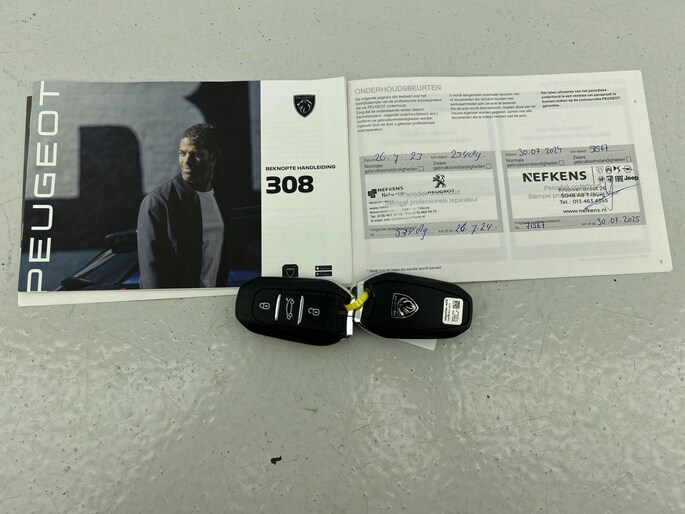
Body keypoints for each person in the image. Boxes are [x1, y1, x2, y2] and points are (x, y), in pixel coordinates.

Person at [137, 123, 229, 288]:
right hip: (180, 302)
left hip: (214, 299)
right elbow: (152, 272)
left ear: (214, 156)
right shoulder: (158, 203)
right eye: (182, 153)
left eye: (196, 154)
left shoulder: (221, 199)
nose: (187, 161)